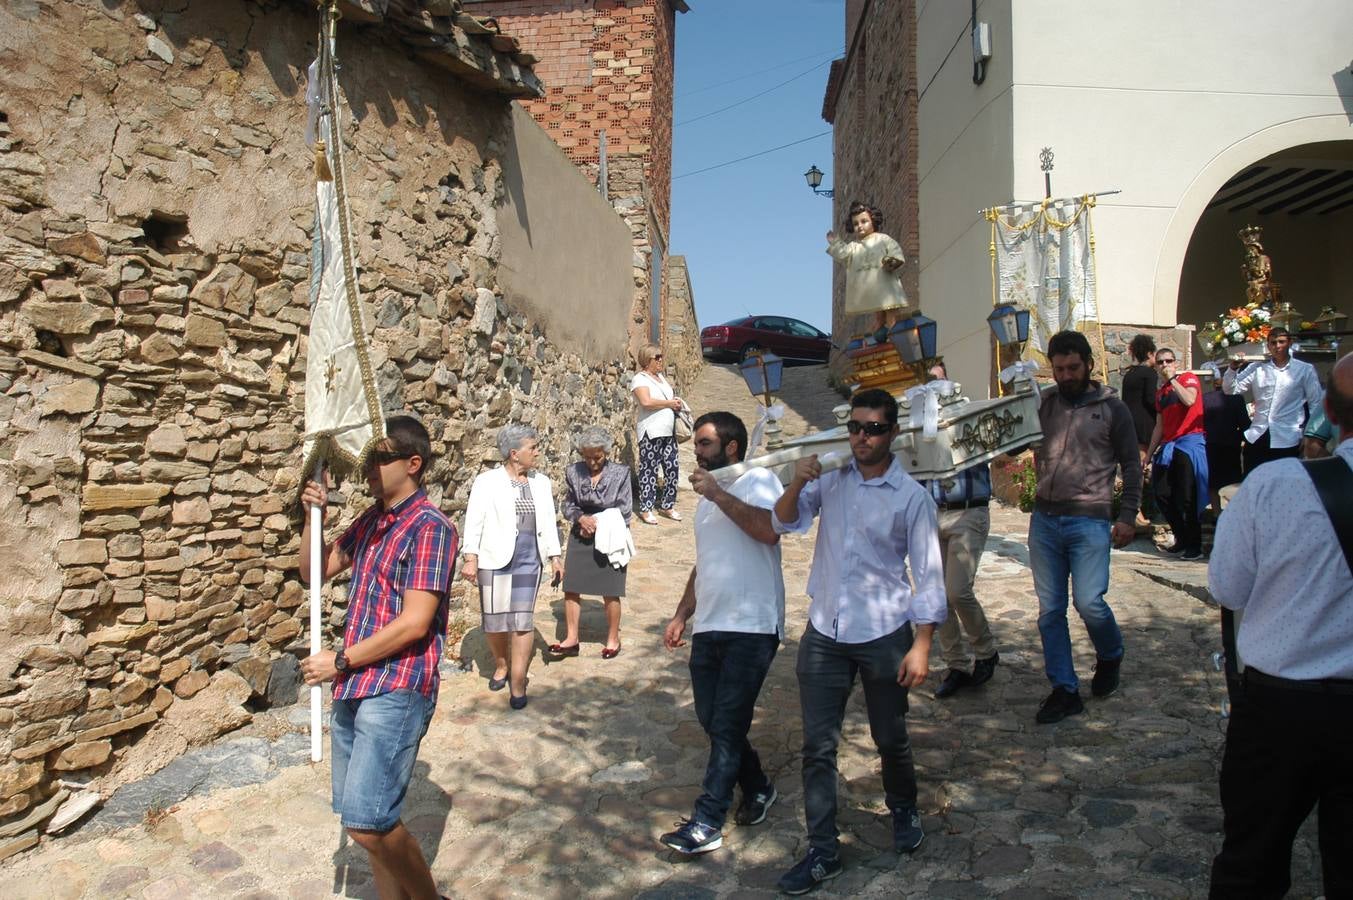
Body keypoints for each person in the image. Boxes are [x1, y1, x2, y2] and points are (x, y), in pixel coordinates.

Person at [771, 388, 945, 894]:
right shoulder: (832, 481)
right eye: (855, 428)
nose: (861, 438)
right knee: (817, 748)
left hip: (884, 632)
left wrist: (923, 644)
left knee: (890, 738)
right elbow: (784, 521)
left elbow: (928, 575)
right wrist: (797, 481)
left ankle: (904, 809)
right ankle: (823, 851)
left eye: (872, 429)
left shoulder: (911, 497)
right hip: (825, 630)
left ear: (892, 433)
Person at [1207, 352, 1353, 899]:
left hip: (1281, 709)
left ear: (1330, 415)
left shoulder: (1274, 486)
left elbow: (1227, 589)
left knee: (1252, 864)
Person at [298, 416, 457, 900]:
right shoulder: (372, 520)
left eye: (379, 458)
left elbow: (415, 623)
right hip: (356, 686)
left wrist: (340, 661)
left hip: (396, 687)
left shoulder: (431, 527)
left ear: (413, 464)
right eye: (366, 457)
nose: (368, 467)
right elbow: (314, 571)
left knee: (368, 823)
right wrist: (313, 516)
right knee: (363, 822)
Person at [659, 412, 785, 856]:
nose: (697, 449)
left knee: (729, 723)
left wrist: (717, 492)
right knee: (714, 721)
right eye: (696, 443)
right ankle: (758, 786)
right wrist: (681, 614)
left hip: (752, 625)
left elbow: (769, 531)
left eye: (705, 443)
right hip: (710, 625)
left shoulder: (758, 481)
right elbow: (705, 560)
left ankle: (708, 819)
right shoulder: (706, 500)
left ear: (731, 447)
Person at [1026, 330, 1140, 724]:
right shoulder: (1043, 403)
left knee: (1089, 602)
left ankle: (1110, 654)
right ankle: (1064, 689)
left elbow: (1131, 464)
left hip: (1089, 520)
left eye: (1073, 367)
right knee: (1050, 610)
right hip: (1044, 520)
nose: (1066, 375)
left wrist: (1127, 516)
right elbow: (1013, 441)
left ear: (1088, 364)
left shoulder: (1112, 409)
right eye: (1058, 369)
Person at [460, 423, 563, 710]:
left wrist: (555, 556)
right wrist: (471, 557)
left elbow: (548, 522)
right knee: (494, 620)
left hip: (529, 560)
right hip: (495, 557)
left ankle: (518, 681)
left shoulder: (541, 483)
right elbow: (475, 519)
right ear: (515, 454)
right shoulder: (487, 481)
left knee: (521, 620)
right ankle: (501, 664)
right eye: (533, 448)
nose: (538, 452)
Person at [917, 363, 999, 699]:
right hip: (931, 515)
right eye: (927, 384)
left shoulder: (972, 416)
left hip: (968, 511)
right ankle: (955, 665)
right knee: (937, 597)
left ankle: (986, 650)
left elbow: (1011, 443)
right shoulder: (917, 425)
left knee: (957, 590)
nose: (933, 389)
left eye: (938, 381)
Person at [551, 425, 632, 659]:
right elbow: (567, 504)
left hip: (610, 534)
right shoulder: (573, 471)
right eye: (587, 457)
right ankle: (571, 638)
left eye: (597, 457)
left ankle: (613, 639)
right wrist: (580, 519)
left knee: (611, 589)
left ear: (605, 453)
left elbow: (625, 510)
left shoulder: (621, 473)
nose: (592, 462)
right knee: (572, 587)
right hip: (580, 531)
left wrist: (597, 524)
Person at [1222, 327, 1323, 474]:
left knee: (1285, 485)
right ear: (1268, 345)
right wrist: (1233, 368)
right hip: (1258, 434)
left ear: (1290, 342)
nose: (1277, 346)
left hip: (1288, 437)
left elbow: (1316, 404)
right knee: (1254, 484)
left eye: (1281, 342)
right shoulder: (1257, 367)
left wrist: (1310, 436)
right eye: (1273, 342)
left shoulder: (1304, 369)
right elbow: (1230, 390)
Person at [1145, 348, 1209, 560]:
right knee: (1162, 492)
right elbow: (1159, 426)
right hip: (1170, 444)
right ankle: (1182, 537)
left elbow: (1190, 400)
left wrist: (1173, 379)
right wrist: (1149, 455)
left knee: (1189, 495)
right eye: (1160, 362)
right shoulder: (1160, 393)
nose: (1164, 365)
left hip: (1189, 443)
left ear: (1176, 362)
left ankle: (1194, 545)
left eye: (1168, 361)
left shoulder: (1188, 379)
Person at [826, 201, 909, 341]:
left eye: (864, 221)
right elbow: (844, 254)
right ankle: (879, 332)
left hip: (885, 284)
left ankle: (894, 337)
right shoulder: (854, 246)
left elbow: (895, 252)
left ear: (873, 221)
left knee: (891, 310)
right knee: (878, 313)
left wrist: (892, 261)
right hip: (872, 288)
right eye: (856, 224)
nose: (860, 226)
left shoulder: (883, 239)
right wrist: (835, 242)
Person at [630, 344, 684, 525]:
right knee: (649, 470)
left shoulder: (661, 378)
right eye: (657, 357)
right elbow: (646, 402)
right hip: (650, 432)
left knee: (672, 468)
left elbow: (666, 399)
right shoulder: (639, 379)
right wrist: (669, 403)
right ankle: (646, 508)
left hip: (668, 433)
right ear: (647, 360)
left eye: (661, 356)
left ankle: (667, 505)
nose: (661, 360)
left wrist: (676, 403)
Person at [1120, 334, 1158, 527]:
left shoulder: (1130, 374)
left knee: (1134, 466)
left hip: (1129, 423)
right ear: (1150, 353)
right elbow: (1152, 400)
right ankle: (1137, 510)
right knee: (1140, 468)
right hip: (1144, 424)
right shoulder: (1149, 374)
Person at [1201, 367, 1250, 513]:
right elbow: (1245, 424)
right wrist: (1242, 437)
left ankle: (1216, 513)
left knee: (1213, 482)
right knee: (1232, 482)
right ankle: (1232, 512)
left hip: (1210, 444)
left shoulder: (1205, 398)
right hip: (1230, 445)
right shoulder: (1237, 399)